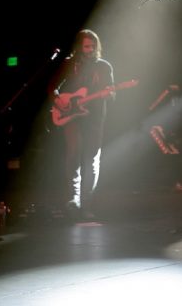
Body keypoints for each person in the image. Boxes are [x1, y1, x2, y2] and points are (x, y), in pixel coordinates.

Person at [49, 29, 114, 220]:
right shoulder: (70, 64)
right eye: (86, 46)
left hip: (94, 119)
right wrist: (58, 100)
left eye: (93, 46)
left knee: (92, 161)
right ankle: (73, 199)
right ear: (80, 47)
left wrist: (109, 94)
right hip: (73, 116)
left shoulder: (104, 67)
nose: (90, 49)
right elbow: (52, 86)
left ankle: (87, 204)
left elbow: (112, 93)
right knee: (73, 154)